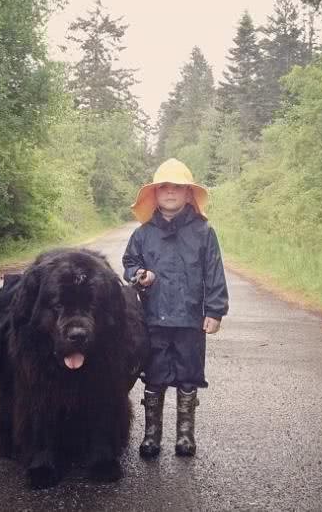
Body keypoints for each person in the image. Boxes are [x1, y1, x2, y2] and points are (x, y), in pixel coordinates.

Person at [122, 158, 229, 458]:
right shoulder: (142, 234)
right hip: (153, 318)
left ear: (188, 194)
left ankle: (185, 436)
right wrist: (139, 275)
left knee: (188, 375)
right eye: (164, 187)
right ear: (154, 194)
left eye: (178, 187)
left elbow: (214, 273)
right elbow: (129, 264)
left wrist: (215, 311)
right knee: (154, 376)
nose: (170, 192)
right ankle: (151, 436)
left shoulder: (204, 231)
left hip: (191, 320)